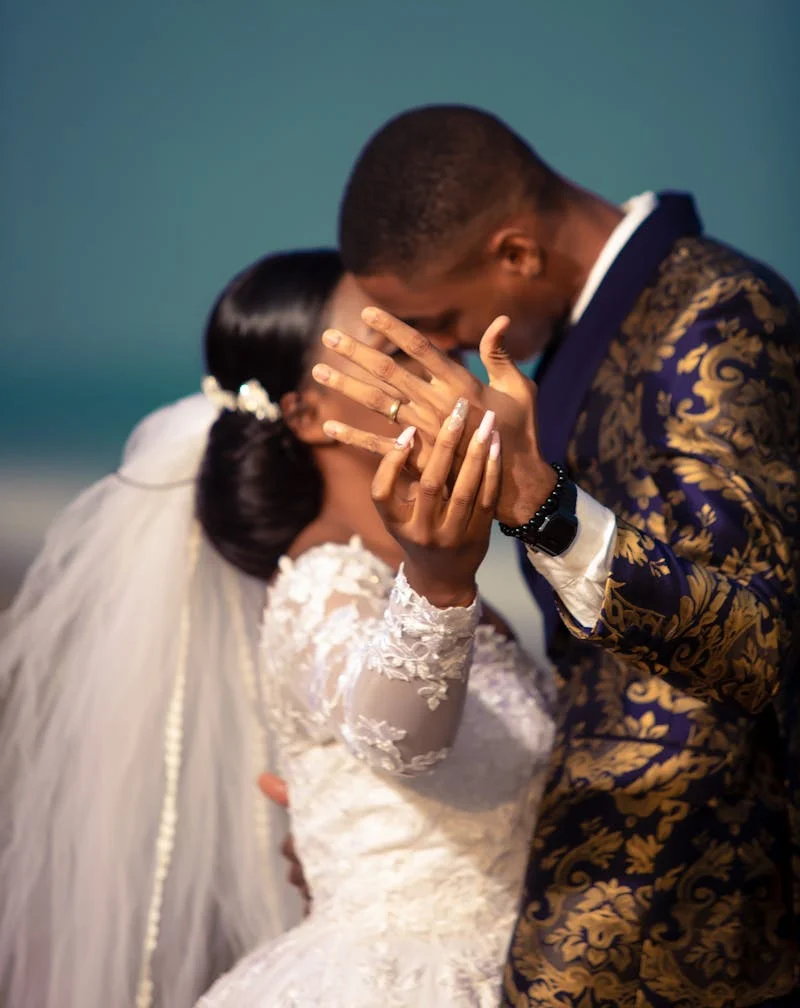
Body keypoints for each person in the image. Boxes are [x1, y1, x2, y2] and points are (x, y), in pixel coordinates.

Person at [314, 104, 800, 1007]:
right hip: (608, 898)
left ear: (516, 255)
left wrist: (539, 503)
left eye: (443, 317)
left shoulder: (717, 314)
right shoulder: (586, 336)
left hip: (696, 913)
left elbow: (758, 644)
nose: (451, 346)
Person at [1, 247, 555, 1008]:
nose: (444, 363)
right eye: (398, 350)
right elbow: (401, 737)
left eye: (432, 336)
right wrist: (440, 580)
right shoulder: (322, 586)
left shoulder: (417, 578)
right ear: (307, 413)